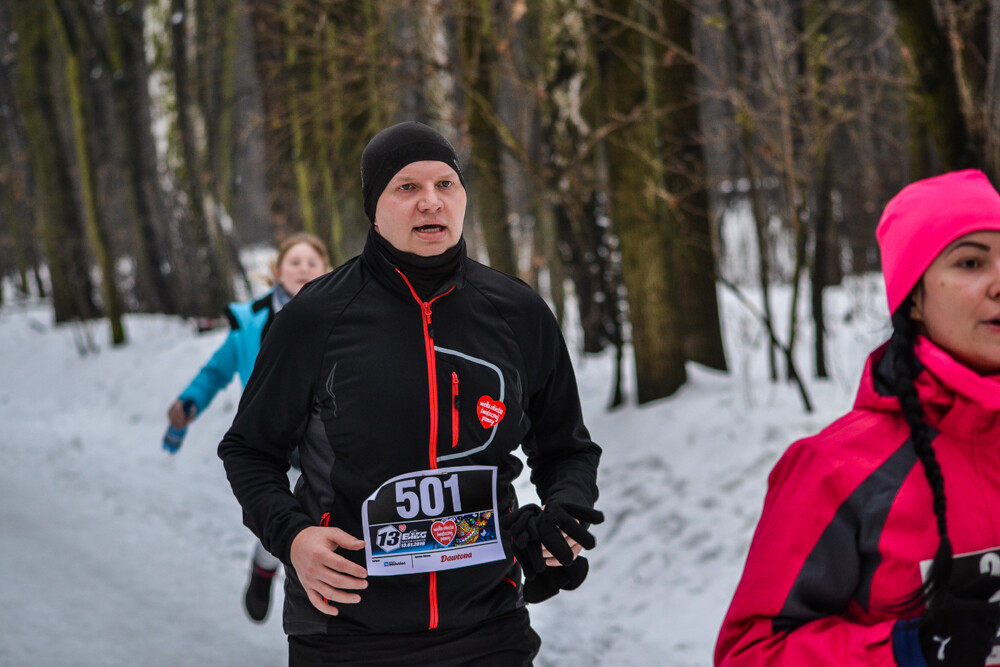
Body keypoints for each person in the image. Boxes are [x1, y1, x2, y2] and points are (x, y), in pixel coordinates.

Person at [218, 121, 603, 666]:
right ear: (374, 208)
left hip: (489, 627)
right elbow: (250, 451)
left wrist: (564, 512)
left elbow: (566, 450)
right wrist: (293, 537)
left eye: (446, 185)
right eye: (407, 187)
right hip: (346, 631)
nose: (430, 203)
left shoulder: (518, 313)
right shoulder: (314, 319)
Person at [715, 169, 1000, 666]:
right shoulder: (836, 469)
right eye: (971, 262)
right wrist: (908, 651)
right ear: (913, 298)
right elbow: (749, 654)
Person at [166, 232, 331, 623]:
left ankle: (293, 577)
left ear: (327, 271)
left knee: (317, 516)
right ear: (277, 272)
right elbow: (217, 371)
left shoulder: (341, 315)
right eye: (295, 262)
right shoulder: (251, 325)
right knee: (283, 511)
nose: (304, 269)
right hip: (272, 435)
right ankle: (265, 567)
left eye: (313, 263)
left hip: (323, 436)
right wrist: (190, 402)